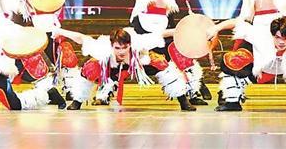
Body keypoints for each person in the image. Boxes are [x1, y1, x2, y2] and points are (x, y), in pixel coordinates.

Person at [126, 0, 200, 110]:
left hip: (163, 18)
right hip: (144, 19)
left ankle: (187, 96)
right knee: (140, 58)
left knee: (173, 58)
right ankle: (104, 90)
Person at [53, 26, 198, 111]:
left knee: (161, 63)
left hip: (138, 64)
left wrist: (184, 30)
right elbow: (81, 38)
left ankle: (183, 100)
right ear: (112, 45)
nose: (121, 51)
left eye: (125, 47)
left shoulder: (139, 43)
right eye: (117, 48)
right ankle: (77, 101)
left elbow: (162, 34)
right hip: (111, 67)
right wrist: (59, 30)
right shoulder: (102, 48)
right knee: (90, 67)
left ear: (130, 44)